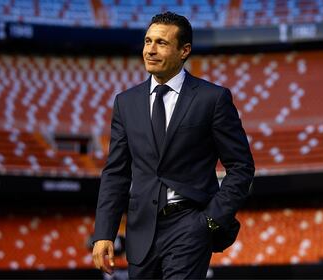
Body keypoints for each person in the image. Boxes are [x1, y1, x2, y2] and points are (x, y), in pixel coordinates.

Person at [92, 11, 255, 279]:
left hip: (190, 226)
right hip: (141, 230)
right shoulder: (125, 102)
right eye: (148, 41)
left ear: (184, 51)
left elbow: (241, 167)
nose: (150, 50)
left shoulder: (212, 99)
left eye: (161, 43)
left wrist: (209, 220)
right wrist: (104, 233)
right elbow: (116, 172)